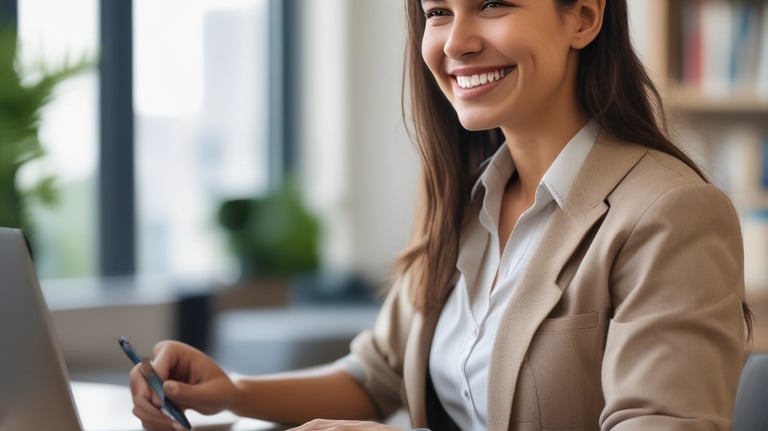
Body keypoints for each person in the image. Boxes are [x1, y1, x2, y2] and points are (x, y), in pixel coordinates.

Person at [130, 0, 751, 430]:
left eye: (494, 4)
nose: (456, 42)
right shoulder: (463, 202)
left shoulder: (670, 213)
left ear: (583, 17)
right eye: (437, 13)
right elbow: (376, 375)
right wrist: (234, 391)